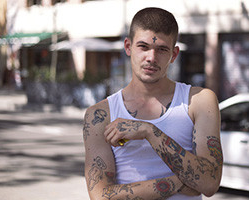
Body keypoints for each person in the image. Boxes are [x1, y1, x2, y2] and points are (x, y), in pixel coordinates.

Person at [83, 7, 223, 200]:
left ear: (174, 55)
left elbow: (209, 183)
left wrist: (150, 132)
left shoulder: (198, 101)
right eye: (143, 46)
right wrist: (177, 183)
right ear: (128, 47)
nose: (151, 58)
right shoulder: (100, 115)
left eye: (162, 49)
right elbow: (100, 196)